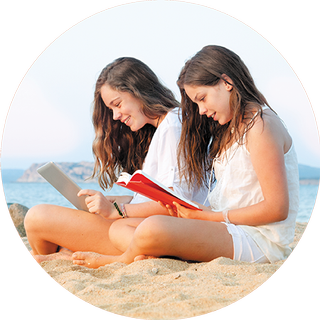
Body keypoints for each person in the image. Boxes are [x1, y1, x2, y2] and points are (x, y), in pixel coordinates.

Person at [70, 45, 299, 267]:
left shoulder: (261, 127)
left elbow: (277, 209)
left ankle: (122, 260)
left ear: (227, 82)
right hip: (230, 228)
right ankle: (150, 255)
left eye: (202, 98)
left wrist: (209, 217)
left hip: (258, 240)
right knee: (121, 229)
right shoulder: (232, 128)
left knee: (152, 228)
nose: (201, 110)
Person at [24, 57, 208, 264]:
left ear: (138, 90)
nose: (115, 116)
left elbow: (175, 202)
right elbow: (161, 196)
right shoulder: (165, 128)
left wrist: (117, 211)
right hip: (143, 227)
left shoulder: (172, 127)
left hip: (151, 233)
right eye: (111, 109)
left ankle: (61, 258)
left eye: (117, 104)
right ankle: (61, 256)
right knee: (40, 226)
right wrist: (115, 201)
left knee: (37, 218)